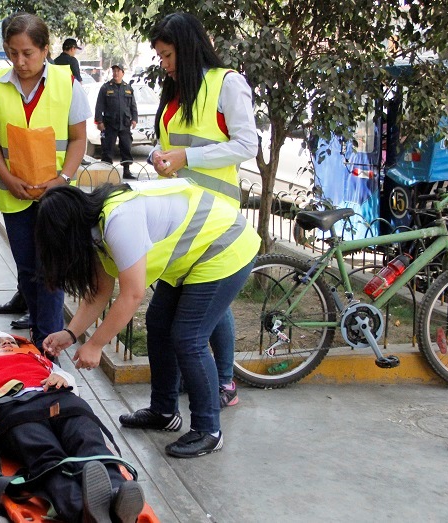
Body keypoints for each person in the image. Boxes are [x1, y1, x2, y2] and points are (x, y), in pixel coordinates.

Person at [37, 180, 259, 458]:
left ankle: (208, 431)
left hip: (224, 246)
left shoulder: (118, 221)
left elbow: (132, 295)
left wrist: (96, 345)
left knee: (189, 338)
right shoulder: (94, 228)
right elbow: (100, 292)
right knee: (158, 323)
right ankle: (164, 412)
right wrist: (70, 334)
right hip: (193, 256)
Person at [149, 12, 258, 407]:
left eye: (168, 55)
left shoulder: (227, 83)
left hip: (215, 218)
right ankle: (197, 384)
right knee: (195, 306)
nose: (164, 64)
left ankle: (224, 382)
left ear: (188, 47)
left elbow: (247, 145)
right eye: (160, 57)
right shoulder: (177, 88)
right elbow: (169, 143)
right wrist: (158, 155)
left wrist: (187, 157)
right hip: (181, 216)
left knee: (207, 305)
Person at [0, 13, 91, 350]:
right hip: (14, 195)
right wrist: (8, 178)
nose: (19, 61)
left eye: (27, 53)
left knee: (51, 271)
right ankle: (39, 333)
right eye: (12, 53)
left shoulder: (67, 83)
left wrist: (63, 178)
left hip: (55, 197)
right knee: (27, 269)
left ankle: (47, 344)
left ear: (44, 50)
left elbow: (78, 138)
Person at [0, 331, 145, 522]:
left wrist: (63, 379)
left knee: (88, 441)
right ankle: (80, 509)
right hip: (16, 408)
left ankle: (116, 494)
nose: (6, 344)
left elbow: (69, 382)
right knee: (46, 456)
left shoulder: (38, 359)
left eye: (10, 341)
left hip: (60, 400)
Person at [95, 64, 138, 180]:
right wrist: (99, 121)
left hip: (125, 123)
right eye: (114, 71)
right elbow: (99, 106)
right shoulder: (105, 88)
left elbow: (133, 106)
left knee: (126, 147)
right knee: (107, 149)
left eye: (118, 71)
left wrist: (134, 119)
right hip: (110, 124)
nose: (116, 73)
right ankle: (106, 173)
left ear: (123, 73)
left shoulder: (128, 88)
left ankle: (127, 171)